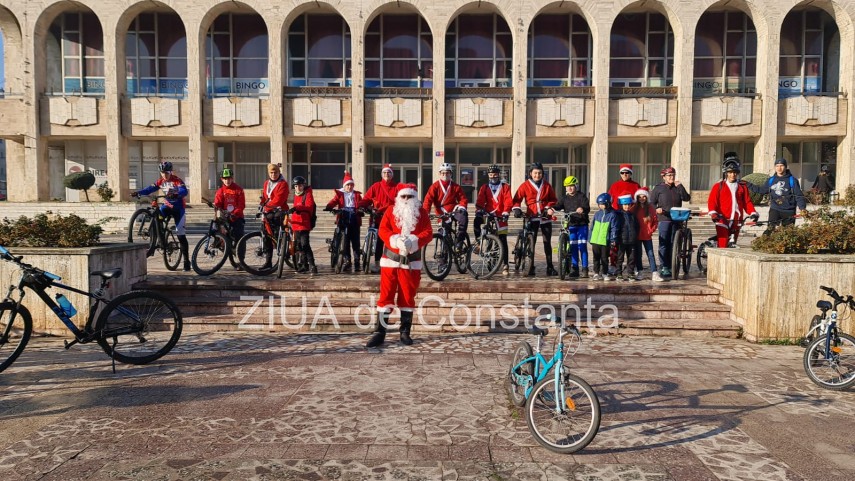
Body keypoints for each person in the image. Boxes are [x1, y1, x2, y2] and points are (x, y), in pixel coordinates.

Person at [366, 183, 433, 348]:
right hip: (390, 261)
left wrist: (413, 241)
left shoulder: (422, 213)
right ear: (398, 197)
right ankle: (379, 332)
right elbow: (382, 230)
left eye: (409, 196)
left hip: (411, 263)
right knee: (386, 296)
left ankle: (405, 332)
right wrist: (394, 239)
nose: (406, 199)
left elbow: (428, 233)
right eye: (403, 196)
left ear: (415, 198)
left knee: (407, 296)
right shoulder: (390, 211)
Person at [132, 161, 190, 271]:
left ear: (170, 172)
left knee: (181, 236)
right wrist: (138, 192)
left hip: (178, 209)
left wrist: (177, 194)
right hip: (167, 206)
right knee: (156, 217)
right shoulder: (160, 181)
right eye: (162, 172)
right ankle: (159, 241)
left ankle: (187, 262)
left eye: (166, 172)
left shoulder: (177, 181)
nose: (164, 175)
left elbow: (184, 190)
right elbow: (149, 189)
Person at [512, 162, 559, 276]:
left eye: (539, 173)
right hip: (531, 215)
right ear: (530, 174)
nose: (537, 175)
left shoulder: (547, 185)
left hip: (544, 216)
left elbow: (553, 199)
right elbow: (517, 199)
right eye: (535, 173)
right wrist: (517, 208)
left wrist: (548, 207)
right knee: (531, 242)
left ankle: (550, 266)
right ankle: (531, 266)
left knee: (547, 242)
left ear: (542, 174)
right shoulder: (525, 185)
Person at [746, 157, 806, 234]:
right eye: (777, 166)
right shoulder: (771, 180)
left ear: (785, 167)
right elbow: (762, 190)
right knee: (770, 229)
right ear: (775, 167)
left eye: (781, 165)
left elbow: (799, 195)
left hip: (789, 210)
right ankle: (765, 244)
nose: (779, 168)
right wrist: (748, 184)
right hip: (775, 209)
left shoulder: (792, 180)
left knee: (788, 233)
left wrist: (802, 208)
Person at [651, 166, 690, 279]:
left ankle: (673, 264)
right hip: (664, 218)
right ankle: (664, 266)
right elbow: (651, 202)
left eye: (673, 175)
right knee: (664, 244)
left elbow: (687, 198)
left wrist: (681, 186)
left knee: (674, 243)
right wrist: (656, 209)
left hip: (677, 218)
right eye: (669, 175)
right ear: (664, 177)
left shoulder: (677, 187)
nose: (671, 177)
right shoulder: (659, 188)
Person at [708, 159, 758, 248]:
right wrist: (713, 213)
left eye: (735, 172)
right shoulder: (718, 186)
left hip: (737, 218)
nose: (733, 175)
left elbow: (747, 202)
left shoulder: (742, 186)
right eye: (730, 172)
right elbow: (712, 201)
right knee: (723, 244)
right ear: (726, 173)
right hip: (722, 218)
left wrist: (753, 213)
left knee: (732, 243)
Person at [474, 164, 513, 276]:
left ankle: (505, 264)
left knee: (503, 239)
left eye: (495, 175)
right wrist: (479, 209)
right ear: (488, 175)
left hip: (501, 215)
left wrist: (506, 211)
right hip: (489, 214)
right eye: (491, 175)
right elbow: (480, 201)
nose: (493, 177)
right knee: (479, 223)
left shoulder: (505, 187)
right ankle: (478, 243)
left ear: (498, 175)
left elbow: (508, 201)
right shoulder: (484, 187)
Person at [325, 172, 367, 272]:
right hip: (343, 217)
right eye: (348, 185)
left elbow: (361, 203)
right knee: (345, 241)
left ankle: (357, 262)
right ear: (344, 185)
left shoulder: (356, 195)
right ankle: (347, 260)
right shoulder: (340, 194)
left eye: (351, 185)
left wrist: (361, 209)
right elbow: (333, 201)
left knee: (355, 241)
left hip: (354, 218)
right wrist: (329, 207)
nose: (350, 187)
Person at [423, 162, 469, 249]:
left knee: (463, 216)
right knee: (443, 235)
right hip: (441, 211)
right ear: (439, 174)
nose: (445, 174)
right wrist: (426, 213)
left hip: (454, 210)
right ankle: (442, 260)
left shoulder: (455, 186)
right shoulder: (435, 186)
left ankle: (459, 241)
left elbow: (463, 199)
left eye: (447, 172)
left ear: (451, 174)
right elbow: (428, 200)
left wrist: (462, 207)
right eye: (443, 173)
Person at [364, 164, 399, 273]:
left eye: (388, 173)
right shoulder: (376, 186)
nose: (386, 174)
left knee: (391, 240)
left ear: (392, 174)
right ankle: (377, 262)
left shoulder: (396, 187)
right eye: (384, 173)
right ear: (382, 174)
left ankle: (392, 261)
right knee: (378, 241)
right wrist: (362, 206)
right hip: (377, 217)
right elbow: (366, 198)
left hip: (390, 219)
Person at [554, 175, 590, 279]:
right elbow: (558, 205)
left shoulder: (581, 196)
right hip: (571, 225)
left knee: (582, 247)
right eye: (567, 186)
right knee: (573, 247)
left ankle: (585, 268)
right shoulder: (564, 198)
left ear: (576, 186)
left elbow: (586, 207)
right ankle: (575, 268)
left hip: (581, 225)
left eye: (572, 186)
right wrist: (552, 208)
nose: (569, 188)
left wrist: (582, 209)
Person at [213, 168, 246, 269]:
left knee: (239, 239)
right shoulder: (220, 191)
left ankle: (241, 261)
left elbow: (241, 205)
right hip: (224, 218)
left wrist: (234, 214)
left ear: (232, 178)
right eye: (225, 179)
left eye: (229, 178)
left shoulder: (238, 190)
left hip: (237, 218)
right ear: (222, 179)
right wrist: (217, 211)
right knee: (219, 238)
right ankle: (229, 253)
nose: (227, 181)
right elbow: (218, 204)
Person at [260, 163, 290, 270]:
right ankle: (268, 262)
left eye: (275, 172)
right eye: (271, 173)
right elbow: (264, 197)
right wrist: (261, 204)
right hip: (269, 211)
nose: (273, 175)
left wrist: (266, 206)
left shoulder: (283, 184)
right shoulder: (266, 183)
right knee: (265, 234)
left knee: (277, 228)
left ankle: (281, 251)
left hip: (280, 210)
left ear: (279, 172)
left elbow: (279, 200)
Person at [288, 176, 318, 274]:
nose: (298, 188)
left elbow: (309, 207)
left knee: (305, 244)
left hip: (304, 224)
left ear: (303, 185)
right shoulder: (296, 195)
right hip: (296, 224)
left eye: (300, 186)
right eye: (296, 186)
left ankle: (312, 265)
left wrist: (297, 208)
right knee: (299, 246)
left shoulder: (308, 194)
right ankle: (304, 265)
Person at [589, 193, 618, 281]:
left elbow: (614, 228)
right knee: (596, 257)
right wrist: (590, 237)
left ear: (608, 204)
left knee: (604, 258)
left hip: (605, 240)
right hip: (595, 240)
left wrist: (613, 239)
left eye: (603, 204)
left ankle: (605, 273)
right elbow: (592, 226)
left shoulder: (612, 215)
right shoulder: (597, 214)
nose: (601, 206)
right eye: (599, 204)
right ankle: (596, 273)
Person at [633, 188, 660, 281]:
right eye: (639, 197)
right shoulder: (634, 208)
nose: (642, 198)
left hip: (647, 235)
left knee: (650, 254)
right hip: (637, 236)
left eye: (644, 196)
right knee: (638, 254)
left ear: (646, 197)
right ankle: (640, 271)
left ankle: (654, 272)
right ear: (637, 197)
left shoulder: (650, 208)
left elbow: (656, 221)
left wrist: (651, 230)